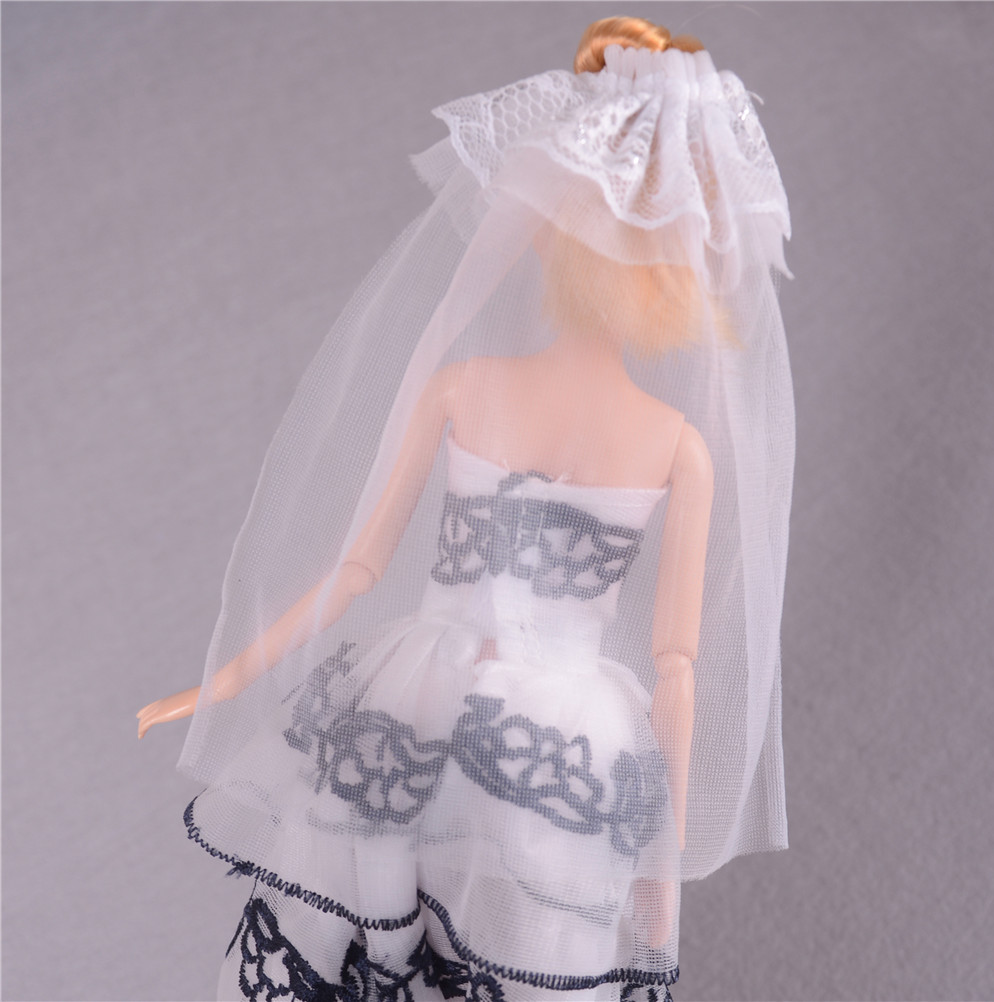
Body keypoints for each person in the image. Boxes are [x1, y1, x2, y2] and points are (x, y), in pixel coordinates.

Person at [139, 16, 794, 1002]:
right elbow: (676, 669)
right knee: (509, 950)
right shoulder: (670, 443)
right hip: (565, 746)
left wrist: (224, 680)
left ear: (547, 230)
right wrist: (656, 868)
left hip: (421, 698)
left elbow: (357, 570)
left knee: (373, 933)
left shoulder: (472, 388)